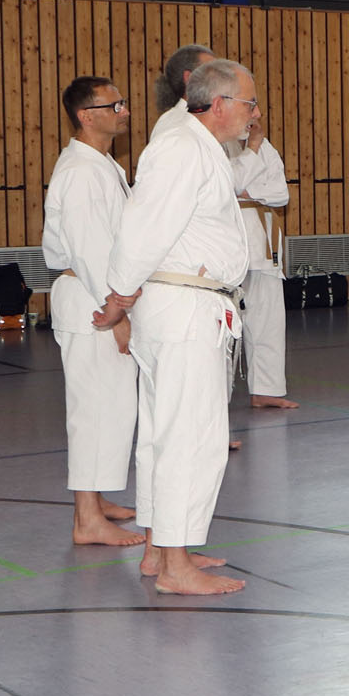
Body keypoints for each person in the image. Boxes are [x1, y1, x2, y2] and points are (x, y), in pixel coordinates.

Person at [93, 58, 257, 596]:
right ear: (220, 104)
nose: (255, 114)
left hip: (185, 305)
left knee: (166, 434)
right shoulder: (183, 147)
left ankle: (159, 550)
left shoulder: (200, 147)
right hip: (183, 310)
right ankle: (175, 566)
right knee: (191, 437)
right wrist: (119, 295)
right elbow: (143, 228)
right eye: (250, 103)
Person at [41, 75, 142, 548]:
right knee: (94, 409)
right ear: (86, 116)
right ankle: (86, 519)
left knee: (111, 406)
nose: (124, 111)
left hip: (99, 296)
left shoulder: (103, 165)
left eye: (123, 103)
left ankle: (96, 501)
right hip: (91, 298)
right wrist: (116, 311)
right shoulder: (81, 171)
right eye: (114, 105)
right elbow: (89, 248)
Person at [229, 108, 296, 410]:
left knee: (269, 322)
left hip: (265, 246)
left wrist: (247, 191)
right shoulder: (215, 144)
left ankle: (266, 390)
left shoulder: (266, 147)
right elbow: (229, 184)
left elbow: (281, 194)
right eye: (248, 109)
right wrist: (248, 187)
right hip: (229, 246)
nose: (254, 117)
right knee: (224, 325)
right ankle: (217, 395)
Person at [150, 44, 214, 142]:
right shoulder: (173, 123)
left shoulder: (207, 117)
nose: (221, 78)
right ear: (190, 78)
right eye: (212, 72)